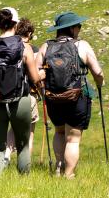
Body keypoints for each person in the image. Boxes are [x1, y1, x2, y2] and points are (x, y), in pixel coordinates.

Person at [0, 7, 41, 177]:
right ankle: (23, 182)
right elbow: (35, 78)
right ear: (16, 24)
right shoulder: (24, 47)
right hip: (20, 101)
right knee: (23, 145)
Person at [36, 11, 104, 179]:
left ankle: (59, 168)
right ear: (72, 29)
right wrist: (100, 83)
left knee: (59, 132)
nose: (80, 29)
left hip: (52, 98)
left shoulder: (46, 46)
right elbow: (97, 71)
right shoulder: (82, 45)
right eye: (78, 26)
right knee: (73, 139)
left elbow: (36, 72)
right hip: (76, 97)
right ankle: (69, 174)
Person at [5, 18, 40, 162]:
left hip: (6, 94)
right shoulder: (32, 50)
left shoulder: (7, 47)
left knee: (13, 127)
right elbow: (35, 76)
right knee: (29, 133)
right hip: (28, 95)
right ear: (30, 33)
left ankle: (6, 154)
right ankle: (25, 164)